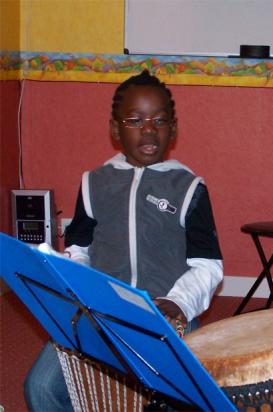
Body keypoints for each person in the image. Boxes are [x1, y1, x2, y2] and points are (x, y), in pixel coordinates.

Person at [24, 70, 223, 411]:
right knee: (40, 388)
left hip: (167, 314)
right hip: (99, 311)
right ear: (115, 130)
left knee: (185, 398)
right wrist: (73, 277)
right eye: (135, 120)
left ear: (173, 129)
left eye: (160, 120)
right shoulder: (94, 183)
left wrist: (178, 302)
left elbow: (208, 266)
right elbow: (79, 250)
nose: (148, 128)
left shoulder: (189, 188)